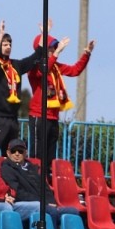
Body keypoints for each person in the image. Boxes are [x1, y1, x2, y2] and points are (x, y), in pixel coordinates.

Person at [27, 31, 93, 165]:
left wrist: (86, 54)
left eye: (54, 47)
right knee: (37, 156)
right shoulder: (34, 66)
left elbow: (75, 70)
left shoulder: (56, 67)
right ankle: (35, 178)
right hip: (39, 116)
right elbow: (43, 71)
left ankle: (47, 177)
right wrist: (56, 54)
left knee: (49, 157)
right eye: (51, 47)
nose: (53, 50)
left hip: (53, 117)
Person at [0, 21, 41, 155]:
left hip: (13, 118)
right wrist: (0, 34)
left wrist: (44, 34)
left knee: (11, 155)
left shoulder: (16, 65)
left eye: (10, 44)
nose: (8, 47)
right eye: (5, 44)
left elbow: (35, 57)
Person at [0, 138, 80, 226]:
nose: (17, 154)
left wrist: (51, 202)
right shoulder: (7, 169)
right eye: (13, 151)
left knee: (72, 211)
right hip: (27, 204)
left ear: (25, 153)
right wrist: (45, 203)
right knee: (51, 211)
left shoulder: (32, 168)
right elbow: (18, 192)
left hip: (43, 204)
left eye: (20, 151)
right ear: (8, 153)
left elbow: (45, 188)